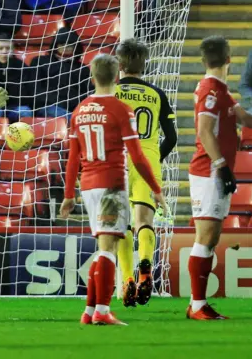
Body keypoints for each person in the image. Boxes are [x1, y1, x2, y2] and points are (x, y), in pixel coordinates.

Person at [59, 54, 167, 326]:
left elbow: (73, 158)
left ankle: (89, 310)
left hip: (88, 186)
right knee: (108, 250)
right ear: (117, 75)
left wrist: (68, 195)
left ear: (92, 77)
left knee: (102, 248)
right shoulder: (121, 110)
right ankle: (103, 310)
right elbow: (138, 156)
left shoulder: (80, 109)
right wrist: (155, 188)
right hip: (112, 184)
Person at [187, 36, 252, 320]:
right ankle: (197, 305)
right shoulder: (210, 89)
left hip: (212, 170)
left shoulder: (219, 89)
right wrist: (221, 165)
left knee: (210, 235)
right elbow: (205, 130)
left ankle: (197, 304)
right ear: (229, 58)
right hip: (209, 171)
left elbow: (242, 116)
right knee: (206, 236)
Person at [113, 38, 177, 308]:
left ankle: (127, 279)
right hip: (147, 160)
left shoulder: (109, 92)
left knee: (121, 224)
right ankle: (146, 266)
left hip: (117, 161)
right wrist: (153, 160)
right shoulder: (157, 94)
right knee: (144, 219)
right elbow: (172, 137)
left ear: (119, 63)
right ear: (144, 64)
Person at [33, 27, 92, 121]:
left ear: (75, 46)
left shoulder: (83, 68)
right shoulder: (40, 62)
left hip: (75, 109)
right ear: (55, 45)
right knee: (74, 118)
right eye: (62, 44)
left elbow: (87, 94)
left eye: (69, 45)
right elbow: (36, 90)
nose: (65, 47)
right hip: (47, 107)